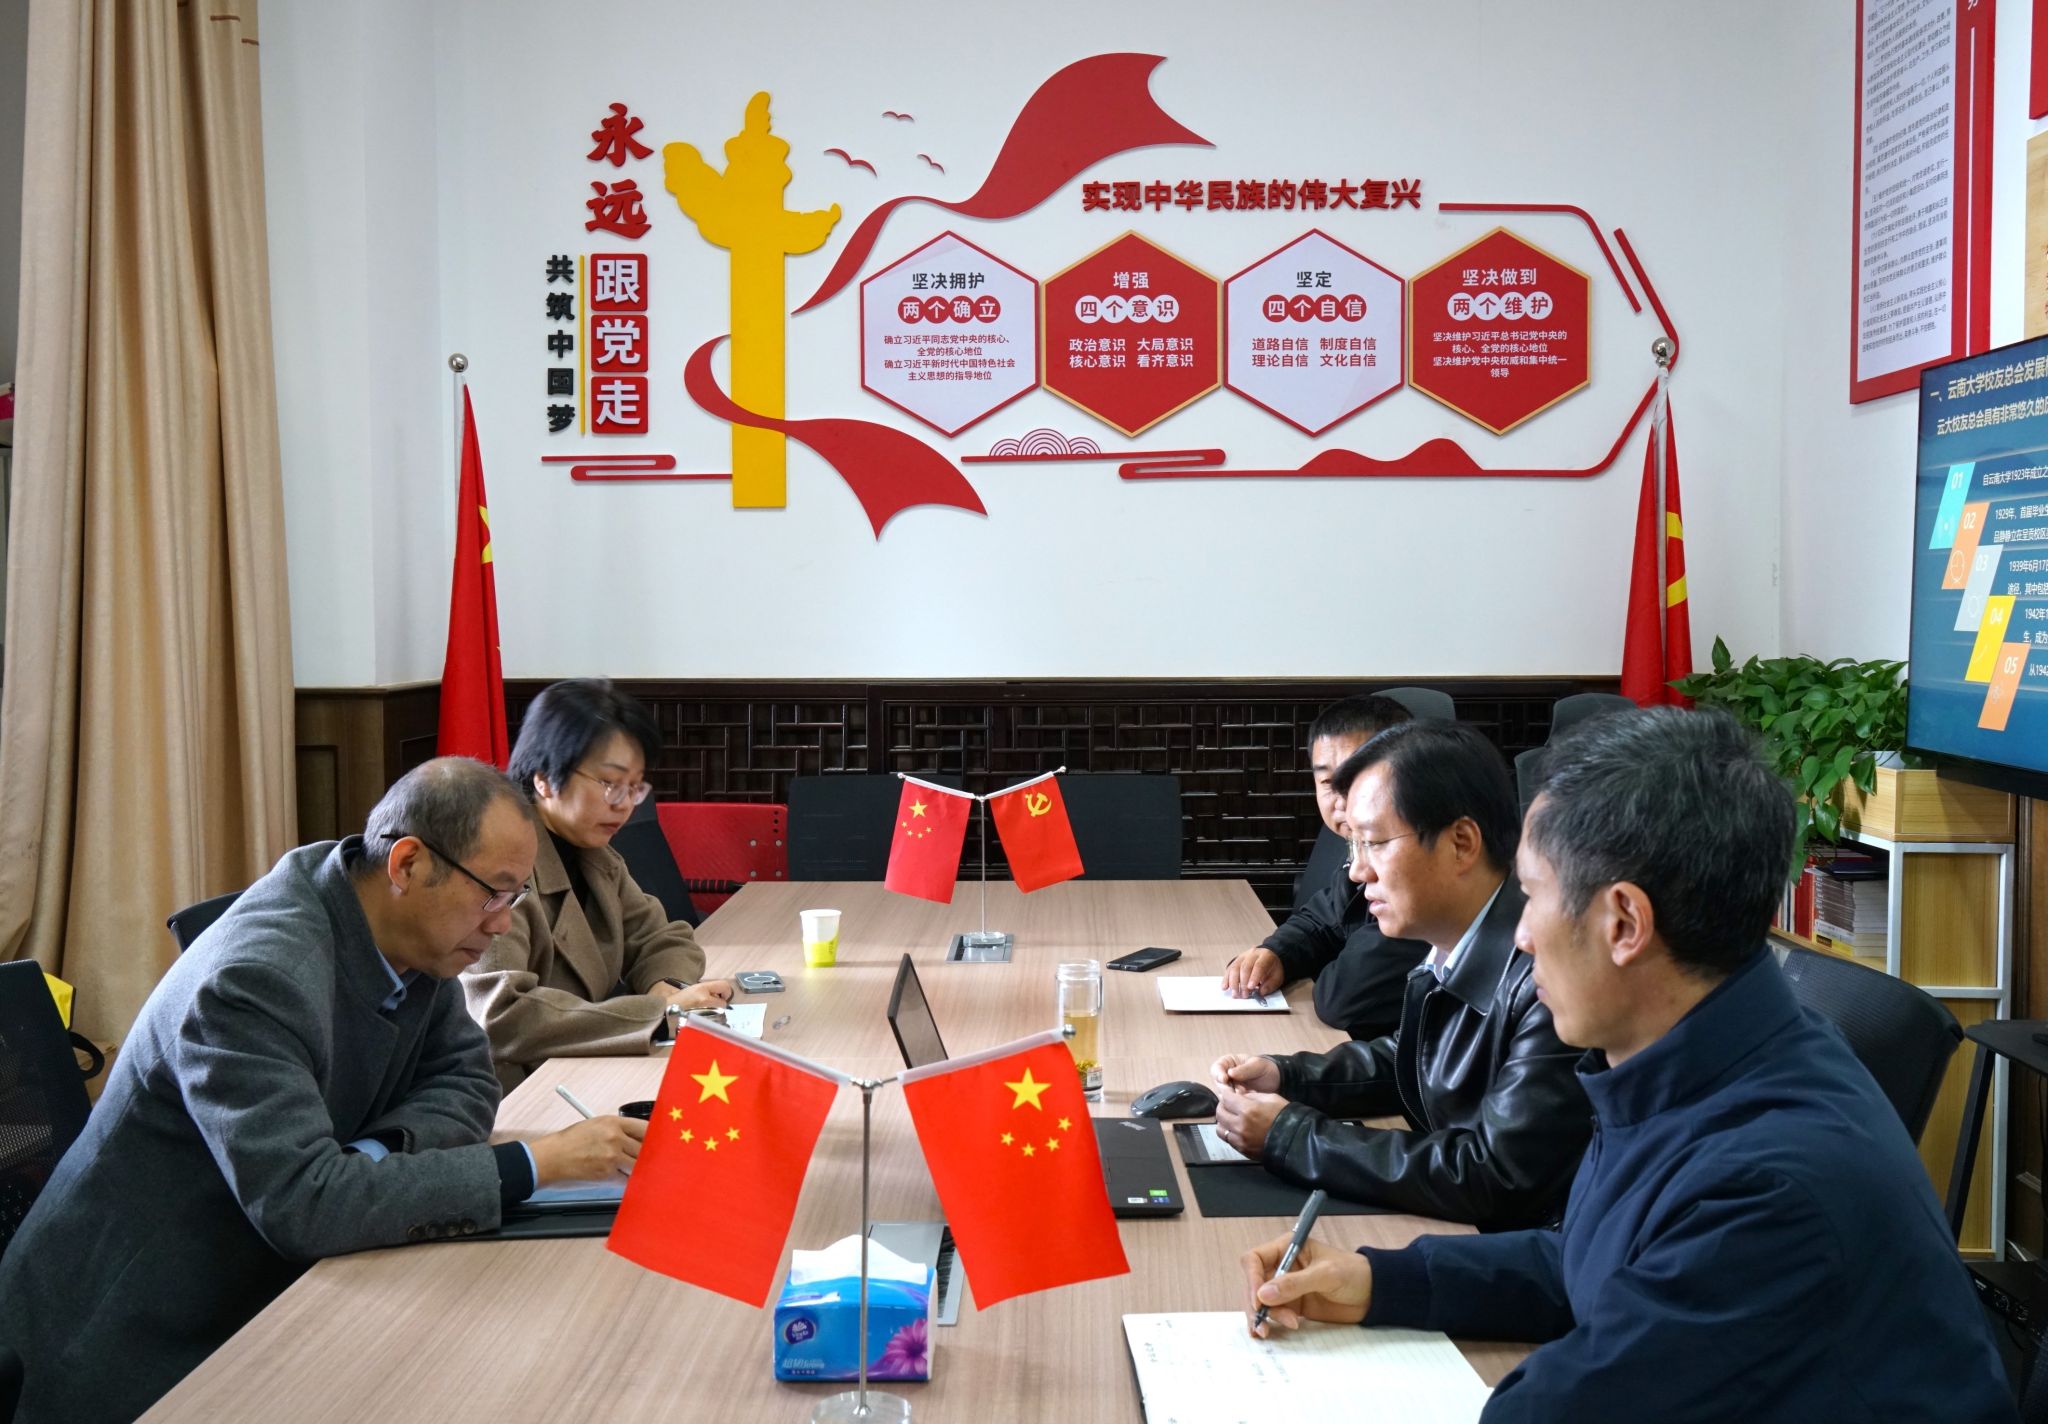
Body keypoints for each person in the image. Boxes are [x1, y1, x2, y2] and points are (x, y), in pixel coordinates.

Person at [1239, 709, 2017, 1423]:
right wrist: (1380, 1280)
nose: (1520, 937)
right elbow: (1591, 1258)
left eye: (1532, 897)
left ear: (1623, 923)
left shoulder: (1763, 1188)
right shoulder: (1690, 1056)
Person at [0, 759, 647, 1424]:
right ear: (408, 864)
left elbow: (468, 1077)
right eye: (495, 895)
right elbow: (305, 1205)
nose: (503, 924)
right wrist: (532, 1164)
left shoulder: (408, 930)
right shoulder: (254, 977)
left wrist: (370, 1157)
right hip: (132, 1337)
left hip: (273, 1277)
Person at [1210, 720, 1587, 1229]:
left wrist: (1292, 1136)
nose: (1357, 871)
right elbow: (1417, 1058)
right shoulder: (1456, 938)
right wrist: (1286, 1076)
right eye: (1354, 846)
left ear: (1461, 843)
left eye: (1374, 843)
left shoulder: (1550, 980)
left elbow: (1495, 1176)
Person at [463, 679, 735, 1090]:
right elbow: (502, 1012)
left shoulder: (594, 854)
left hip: (579, 1068)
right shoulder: (498, 863)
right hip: (511, 1092)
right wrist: (655, 1014)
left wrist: (666, 988)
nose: (624, 804)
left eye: (635, 787)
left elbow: (662, 938)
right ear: (544, 778)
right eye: (610, 783)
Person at [1220, 695, 1430, 1038]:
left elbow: (1344, 998)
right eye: (1328, 783)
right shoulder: (1358, 850)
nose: (1341, 801)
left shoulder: (1422, 863)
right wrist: (1277, 954)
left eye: (1355, 779)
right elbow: (1322, 919)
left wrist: (1316, 964)